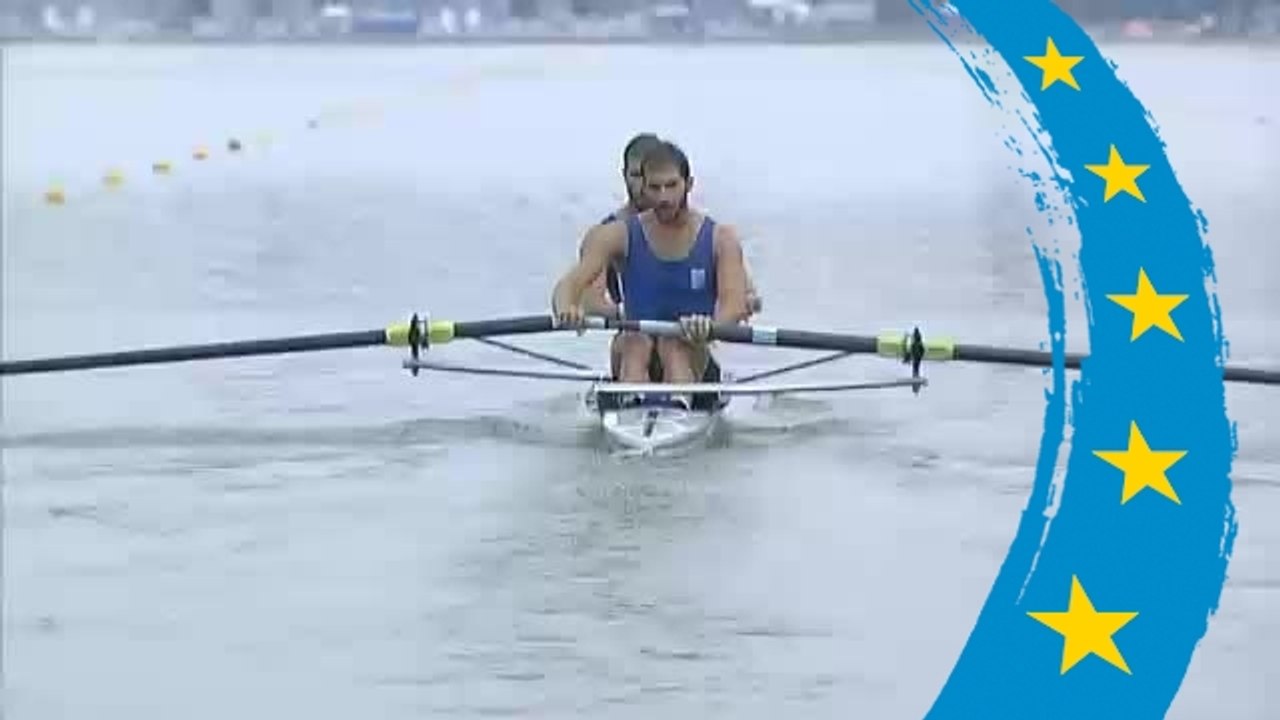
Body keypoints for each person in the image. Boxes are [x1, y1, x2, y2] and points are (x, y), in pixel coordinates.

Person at [553, 140, 752, 408]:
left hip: (691, 351)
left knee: (674, 345)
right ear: (642, 188)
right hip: (634, 348)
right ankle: (632, 402)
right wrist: (567, 308)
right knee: (635, 342)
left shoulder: (721, 239)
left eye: (671, 186)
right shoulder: (617, 234)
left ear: (688, 184)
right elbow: (569, 285)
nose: (663, 197)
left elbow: (735, 305)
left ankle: (678, 404)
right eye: (655, 188)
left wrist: (710, 327)